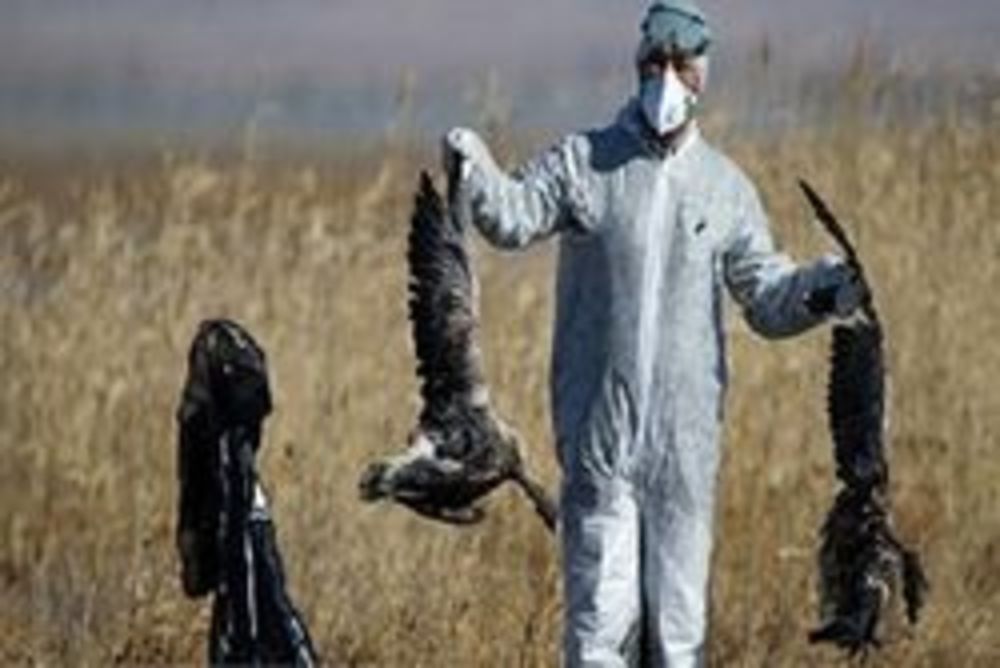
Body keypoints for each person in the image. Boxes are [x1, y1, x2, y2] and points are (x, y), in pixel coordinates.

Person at [441, 1, 862, 666]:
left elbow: (766, 296)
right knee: (599, 634)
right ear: (637, 65)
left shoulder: (724, 188)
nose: (667, 77)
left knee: (678, 636)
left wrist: (829, 289)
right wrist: (475, 170)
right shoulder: (585, 163)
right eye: (655, 61)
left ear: (703, 73)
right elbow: (512, 217)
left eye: (682, 63)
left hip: (684, 453)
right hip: (601, 446)